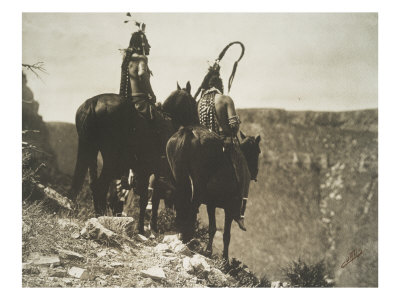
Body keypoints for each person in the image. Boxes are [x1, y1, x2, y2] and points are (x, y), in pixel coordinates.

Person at [197, 64, 249, 231]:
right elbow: (233, 126)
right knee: (245, 172)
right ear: (220, 85)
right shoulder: (225, 99)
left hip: (202, 144)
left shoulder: (200, 101)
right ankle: (240, 213)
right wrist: (235, 123)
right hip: (224, 143)